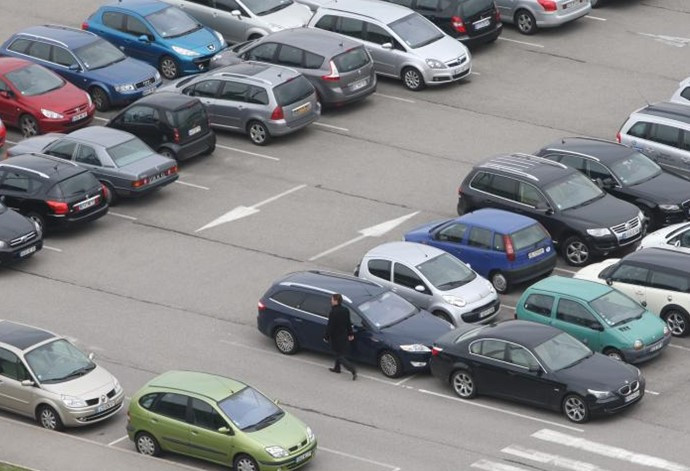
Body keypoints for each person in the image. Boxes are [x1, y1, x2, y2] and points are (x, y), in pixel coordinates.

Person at [324, 293, 357, 380]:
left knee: (339, 355)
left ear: (336, 301)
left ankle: (352, 369)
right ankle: (337, 368)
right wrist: (350, 334)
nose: (331, 301)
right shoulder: (345, 310)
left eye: (332, 299)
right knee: (339, 353)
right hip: (344, 335)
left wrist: (326, 337)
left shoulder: (333, 312)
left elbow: (330, 326)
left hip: (336, 337)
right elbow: (348, 323)